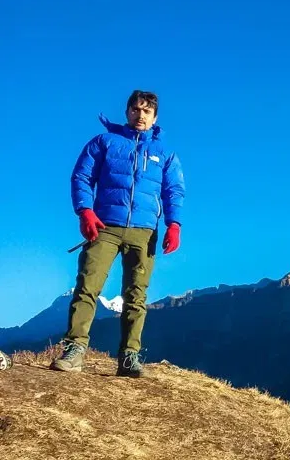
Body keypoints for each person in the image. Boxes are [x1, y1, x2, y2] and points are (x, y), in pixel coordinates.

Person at [51, 90, 185, 378]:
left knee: (136, 295)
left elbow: (174, 191)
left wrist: (174, 225)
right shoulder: (104, 143)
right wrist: (85, 211)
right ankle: (74, 350)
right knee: (88, 285)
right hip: (104, 226)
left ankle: (129, 356)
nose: (140, 115)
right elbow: (82, 176)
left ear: (155, 117)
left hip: (144, 231)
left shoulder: (165, 154)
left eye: (147, 111)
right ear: (127, 112)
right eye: (136, 110)